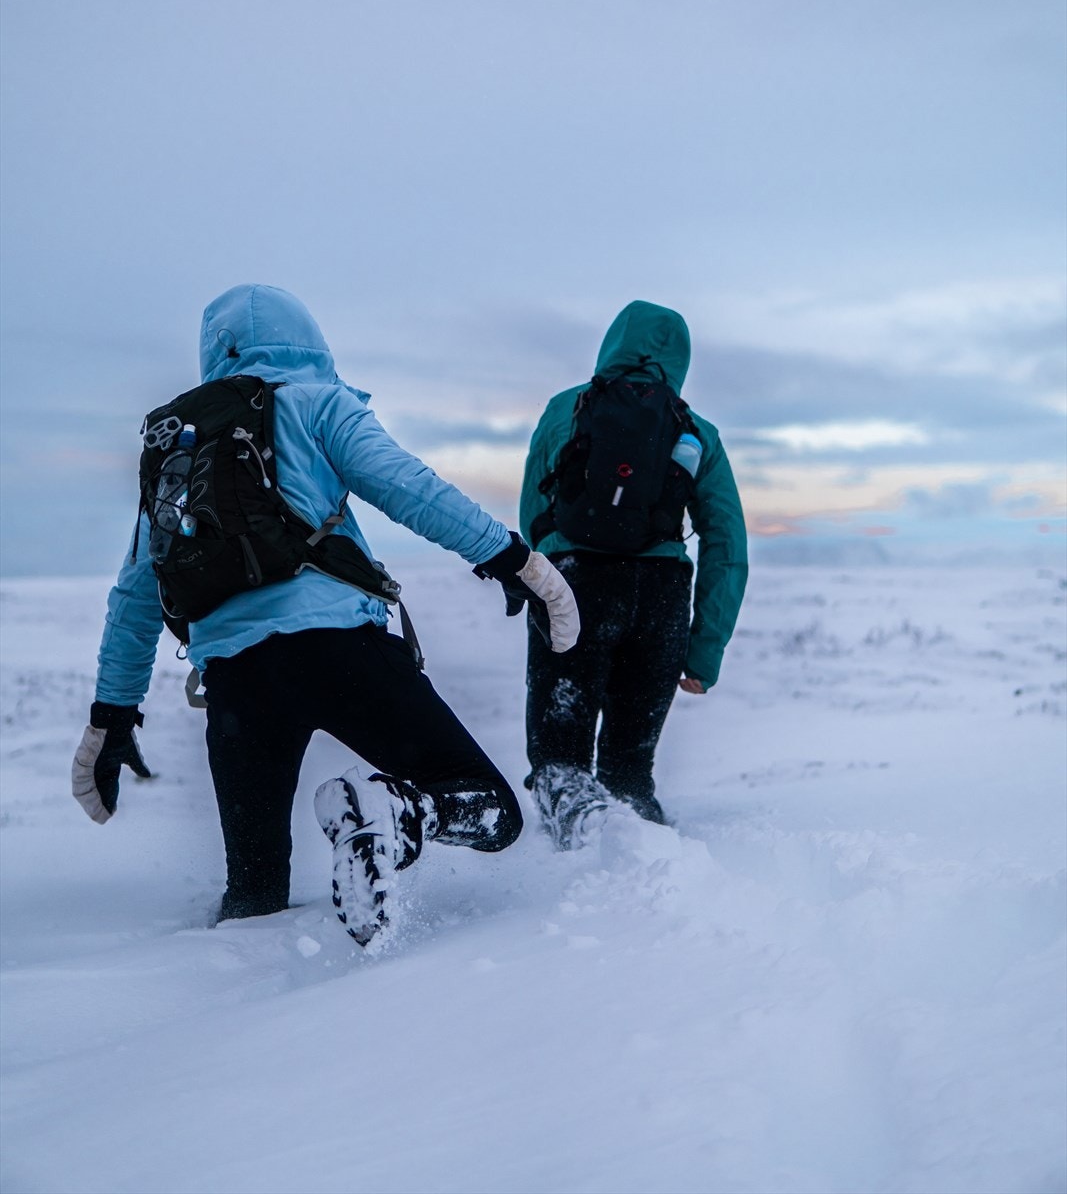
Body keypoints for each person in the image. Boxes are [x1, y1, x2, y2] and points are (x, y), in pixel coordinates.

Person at [72, 284, 579, 946]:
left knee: (253, 895)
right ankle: (399, 812)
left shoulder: (179, 447)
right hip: (340, 651)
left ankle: (238, 1012)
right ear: (305, 338)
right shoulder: (317, 402)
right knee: (489, 809)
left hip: (236, 682)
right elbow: (405, 485)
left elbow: (137, 592)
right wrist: (513, 560)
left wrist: (111, 719)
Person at [519, 300, 747, 845]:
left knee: (560, 764)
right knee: (629, 770)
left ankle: (567, 880)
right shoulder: (696, 431)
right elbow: (726, 542)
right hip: (660, 595)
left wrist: (547, 578)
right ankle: (646, 869)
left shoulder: (566, 409)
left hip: (573, 586)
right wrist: (704, 649)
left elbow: (533, 513)